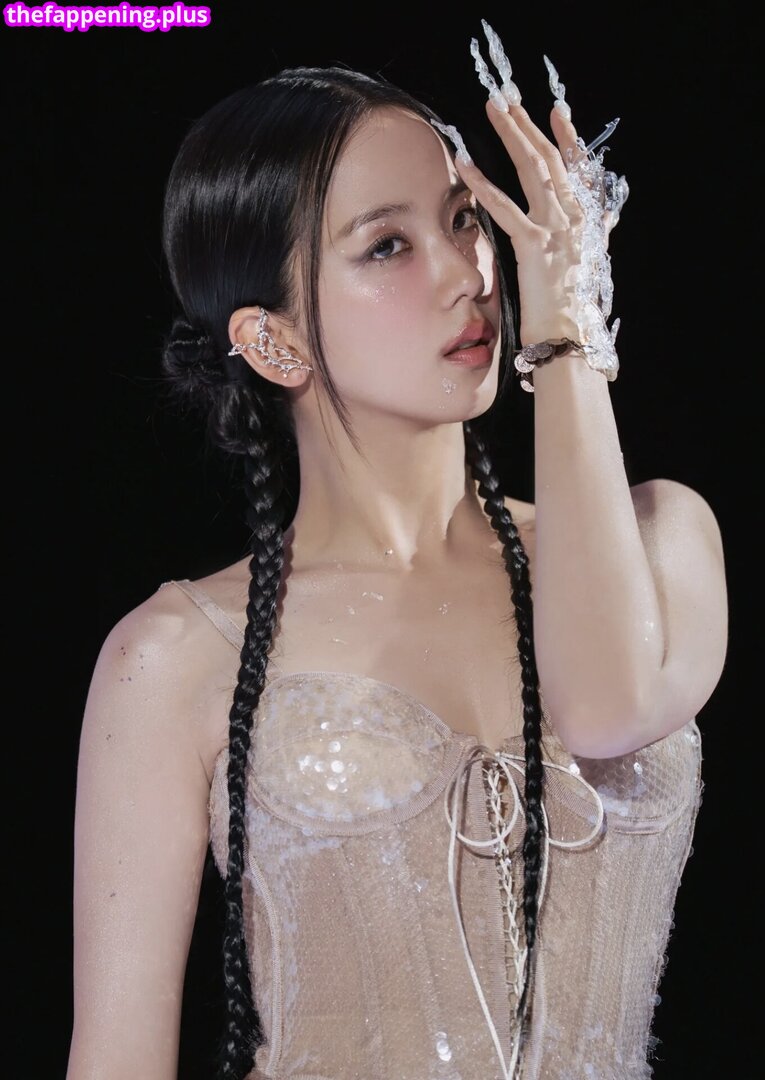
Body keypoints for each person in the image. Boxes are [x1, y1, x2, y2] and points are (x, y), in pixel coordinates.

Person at [66, 21, 728, 1080]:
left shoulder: (662, 540)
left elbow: (605, 705)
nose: (469, 270)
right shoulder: (175, 656)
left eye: (465, 218)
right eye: (387, 245)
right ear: (273, 339)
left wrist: (567, 337)